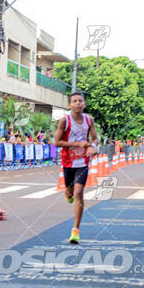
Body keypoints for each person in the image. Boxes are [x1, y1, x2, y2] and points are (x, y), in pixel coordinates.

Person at [55, 92, 98, 244]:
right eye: (75, 101)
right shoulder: (64, 121)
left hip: (83, 163)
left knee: (79, 193)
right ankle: (68, 193)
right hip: (68, 162)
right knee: (69, 192)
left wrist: (92, 147)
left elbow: (95, 138)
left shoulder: (89, 120)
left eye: (80, 101)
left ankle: (75, 230)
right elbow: (57, 142)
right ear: (70, 105)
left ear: (84, 104)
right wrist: (77, 144)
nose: (78, 103)